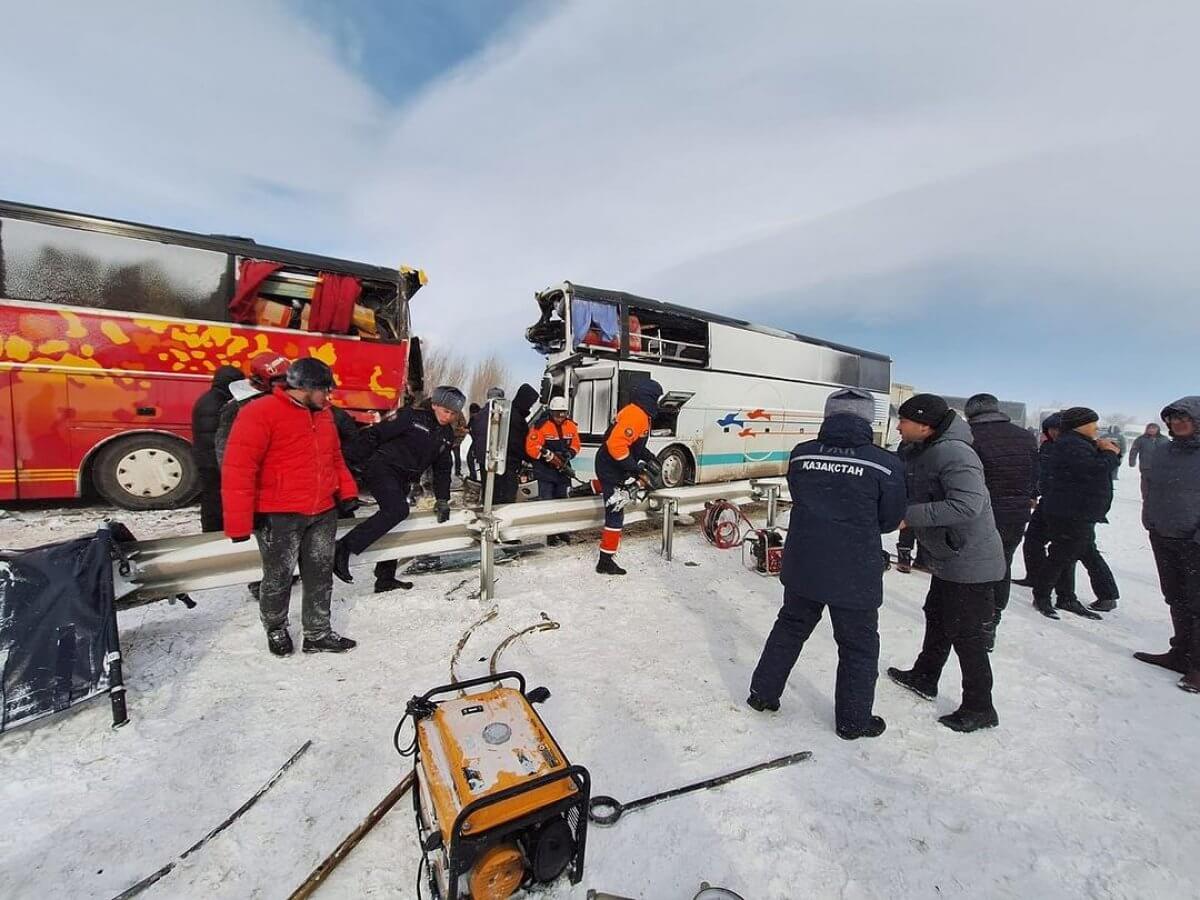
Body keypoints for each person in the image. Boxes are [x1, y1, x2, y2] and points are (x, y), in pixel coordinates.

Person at [748, 389, 906, 740]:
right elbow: (889, 519)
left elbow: (801, 496)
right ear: (867, 420)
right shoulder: (884, 463)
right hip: (854, 569)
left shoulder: (802, 455)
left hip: (804, 561)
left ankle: (763, 693)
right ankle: (853, 721)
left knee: (789, 628)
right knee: (858, 646)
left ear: (827, 417)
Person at [222, 358, 359, 656]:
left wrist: (347, 492)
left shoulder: (324, 415)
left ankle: (318, 633)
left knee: (320, 574)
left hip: (322, 511)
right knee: (278, 576)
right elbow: (239, 468)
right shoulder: (260, 412)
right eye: (324, 389)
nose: (329, 396)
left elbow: (335, 458)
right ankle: (276, 629)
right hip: (279, 514)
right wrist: (238, 522)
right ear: (305, 388)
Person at [886, 394, 1006, 733]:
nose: (898, 425)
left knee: (967, 635)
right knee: (937, 616)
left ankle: (980, 707)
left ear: (925, 426)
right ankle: (925, 676)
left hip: (971, 560)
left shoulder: (955, 453)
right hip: (949, 556)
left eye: (904, 420)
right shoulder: (920, 448)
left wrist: (907, 516)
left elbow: (968, 506)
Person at [334, 385, 463, 591]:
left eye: (454, 413)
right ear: (435, 404)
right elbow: (375, 434)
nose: (449, 417)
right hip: (382, 467)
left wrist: (442, 499)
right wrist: (348, 464)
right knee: (397, 510)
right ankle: (343, 548)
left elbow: (442, 468)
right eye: (446, 411)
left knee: (397, 520)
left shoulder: (446, 434)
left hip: (404, 477)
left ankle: (385, 578)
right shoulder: (411, 416)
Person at [1018, 414, 1120, 614]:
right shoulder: (1069, 445)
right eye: (1050, 430)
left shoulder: (1079, 444)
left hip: (1073, 508)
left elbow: (1090, 469)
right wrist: (1109, 454)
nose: (1096, 428)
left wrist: (1110, 453)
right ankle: (1052, 594)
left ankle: (1094, 595)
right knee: (1060, 552)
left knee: (1076, 552)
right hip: (1067, 508)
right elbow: (1091, 469)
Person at [964, 393, 1039, 651]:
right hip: (1015, 514)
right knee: (1003, 563)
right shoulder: (1025, 436)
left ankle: (971, 619)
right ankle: (992, 619)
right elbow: (1035, 476)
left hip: (982, 513)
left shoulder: (971, 436)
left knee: (972, 566)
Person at [1135, 397, 1200, 693]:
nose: (1177, 423)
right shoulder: (1162, 451)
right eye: (1172, 419)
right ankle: (1180, 653)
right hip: (1163, 534)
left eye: (1184, 418)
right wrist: (1150, 517)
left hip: (1194, 540)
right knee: (1176, 598)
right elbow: (1150, 486)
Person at [595, 380, 664, 575]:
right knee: (616, 512)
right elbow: (616, 445)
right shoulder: (636, 415)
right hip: (610, 466)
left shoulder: (639, 413)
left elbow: (635, 445)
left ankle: (587, 488)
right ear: (648, 398)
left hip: (612, 466)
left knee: (615, 497)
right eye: (655, 399)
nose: (657, 403)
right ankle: (605, 561)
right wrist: (636, 470)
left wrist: (649, 457)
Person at [214, 353, 292, 467]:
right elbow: (225, 450)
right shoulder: (236, 407)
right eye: (281, 379)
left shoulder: (284, 403)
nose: (286, 383)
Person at [190, 365, 243, 532]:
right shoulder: (222, 403)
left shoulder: (208, 398)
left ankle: (211, 529)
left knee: (210, 497)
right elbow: (221, 437)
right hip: (215, 461)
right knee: (217, 499)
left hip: (205, 458)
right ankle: (215, 531)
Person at [525, 394, 581, 546]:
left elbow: (576, 443)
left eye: (563, 414)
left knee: (563, 501)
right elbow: (531, 447)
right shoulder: (541, 426)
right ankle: (550, 536)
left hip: (563, 470)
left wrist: (570, 453)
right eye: (557, 414)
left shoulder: (571, 426)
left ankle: (562, 531)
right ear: (551, 412)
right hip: (546, 471)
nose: (560, 417)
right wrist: (546, 455)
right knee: (548, 503)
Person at [493, 384, 539, 505]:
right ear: (525, 400)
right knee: (506, 498)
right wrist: (531, 457)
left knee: (501, 495)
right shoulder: (515, 418)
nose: (531, 405)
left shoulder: (511, 413)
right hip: (508, 465)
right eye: (531, 402)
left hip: (505, 464)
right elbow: (516, 444)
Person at [469, 387, 504, 486]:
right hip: (499, 456)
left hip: (482, 456)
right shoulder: (502, 414)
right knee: (498, 487)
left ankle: (485, 499)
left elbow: (474, 434)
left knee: (486, 484)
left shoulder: (478, 415)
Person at [1129, 422, 1170, 505]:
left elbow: (1170, 451)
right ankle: (1146, 498)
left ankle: (1157, 498)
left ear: (1158, 429)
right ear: (1147, 429)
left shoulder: (1164, 439)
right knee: (1146, 483)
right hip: (1146, 466)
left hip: (1160, 466)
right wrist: (1132, 461)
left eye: (1154, 428)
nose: (1152, 430)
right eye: (1150, 428)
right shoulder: (1141, 439)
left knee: (1158, 482)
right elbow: (1134, 450)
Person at [465, 403, 482, 481]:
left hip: (480, 442)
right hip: (475, 442)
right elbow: (468, 426)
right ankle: (473, 475)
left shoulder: (482, 418)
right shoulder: (473, 418)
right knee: (469, 458)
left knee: (480, 460)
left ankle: (483, 479)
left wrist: (470, 431)